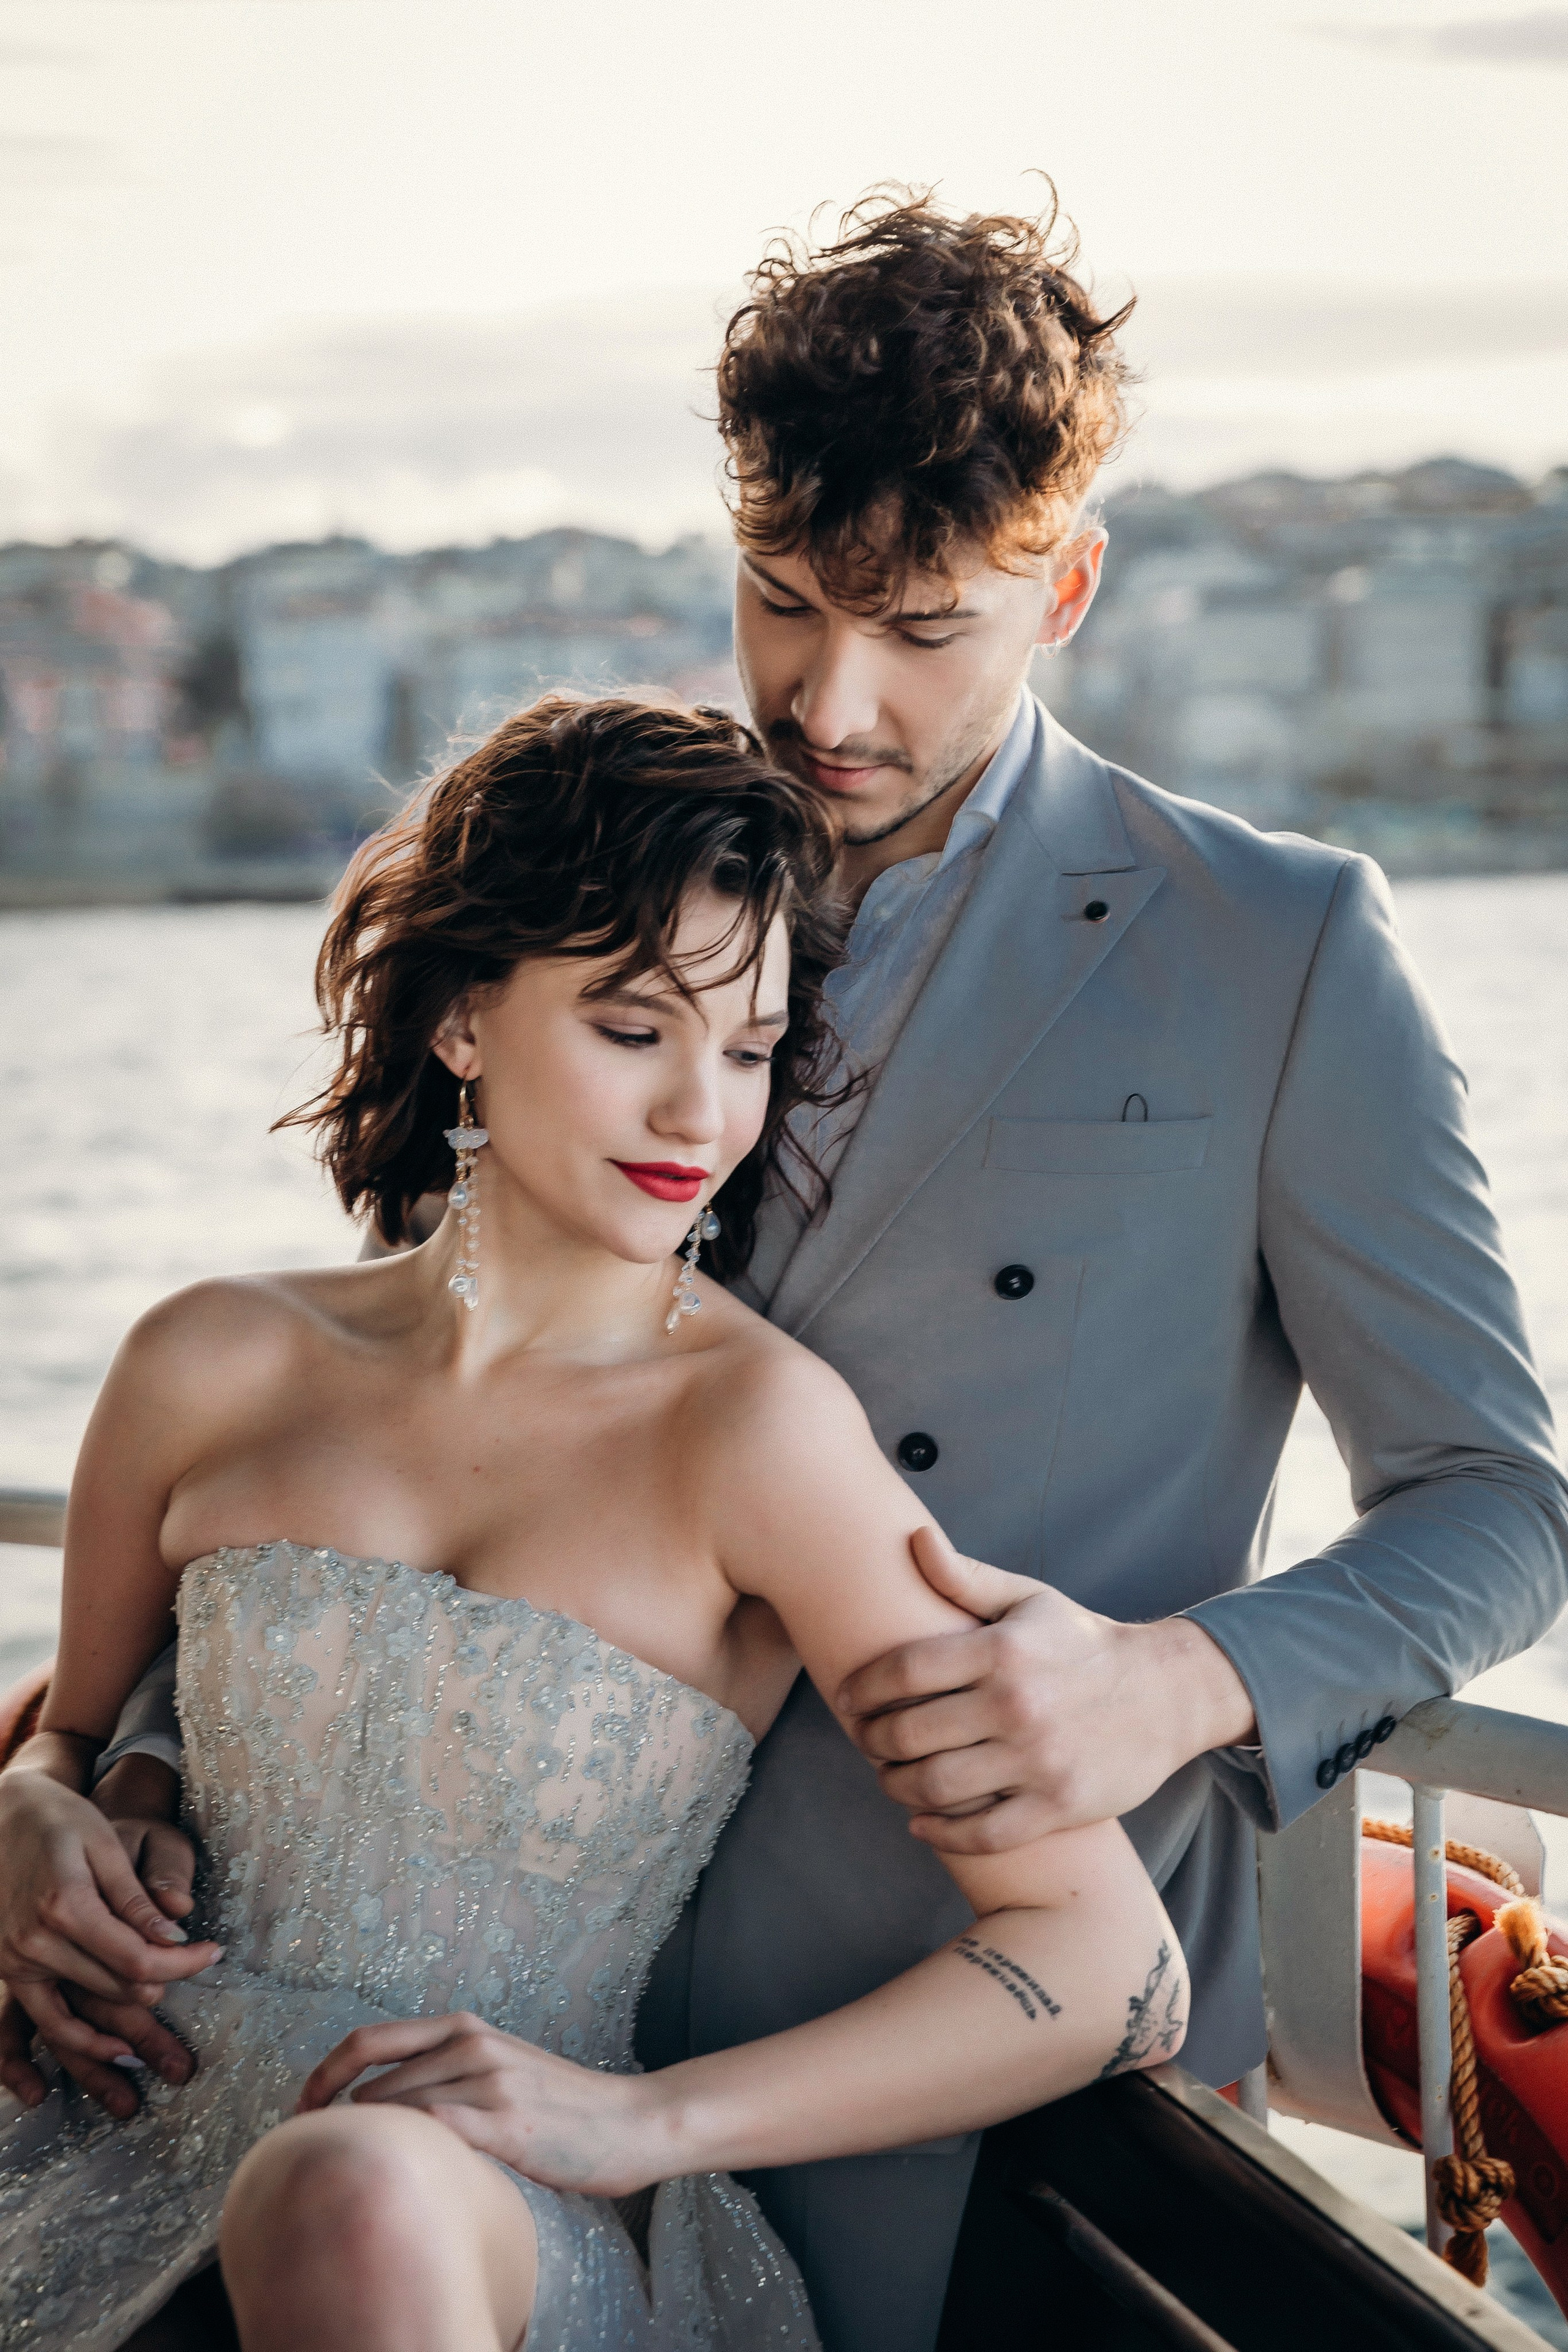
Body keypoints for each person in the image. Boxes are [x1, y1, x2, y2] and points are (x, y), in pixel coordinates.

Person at [5, 185, 1567, 2352]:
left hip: (948, 2036)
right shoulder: (619, 875)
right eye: (781, 602)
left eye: (925, 627)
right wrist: (102, 1773)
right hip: (414, 2046)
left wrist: (1166, 1684)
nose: (832, 700)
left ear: (1070, 587)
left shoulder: (1279, 951)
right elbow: (412, 1446)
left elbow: (1503, 1503)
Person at [0, 694, 1185, 2352]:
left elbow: (1110, 1959)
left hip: (493, 2200)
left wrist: (643, 2124)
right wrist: (28, 1814)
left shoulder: (759, 1435)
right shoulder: (210, 1360)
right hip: (112, 2122)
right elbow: (67, 1736)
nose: (705, 1114)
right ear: (467, 1016)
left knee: (352, 2188)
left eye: (753, 1046)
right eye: (636, 1028)